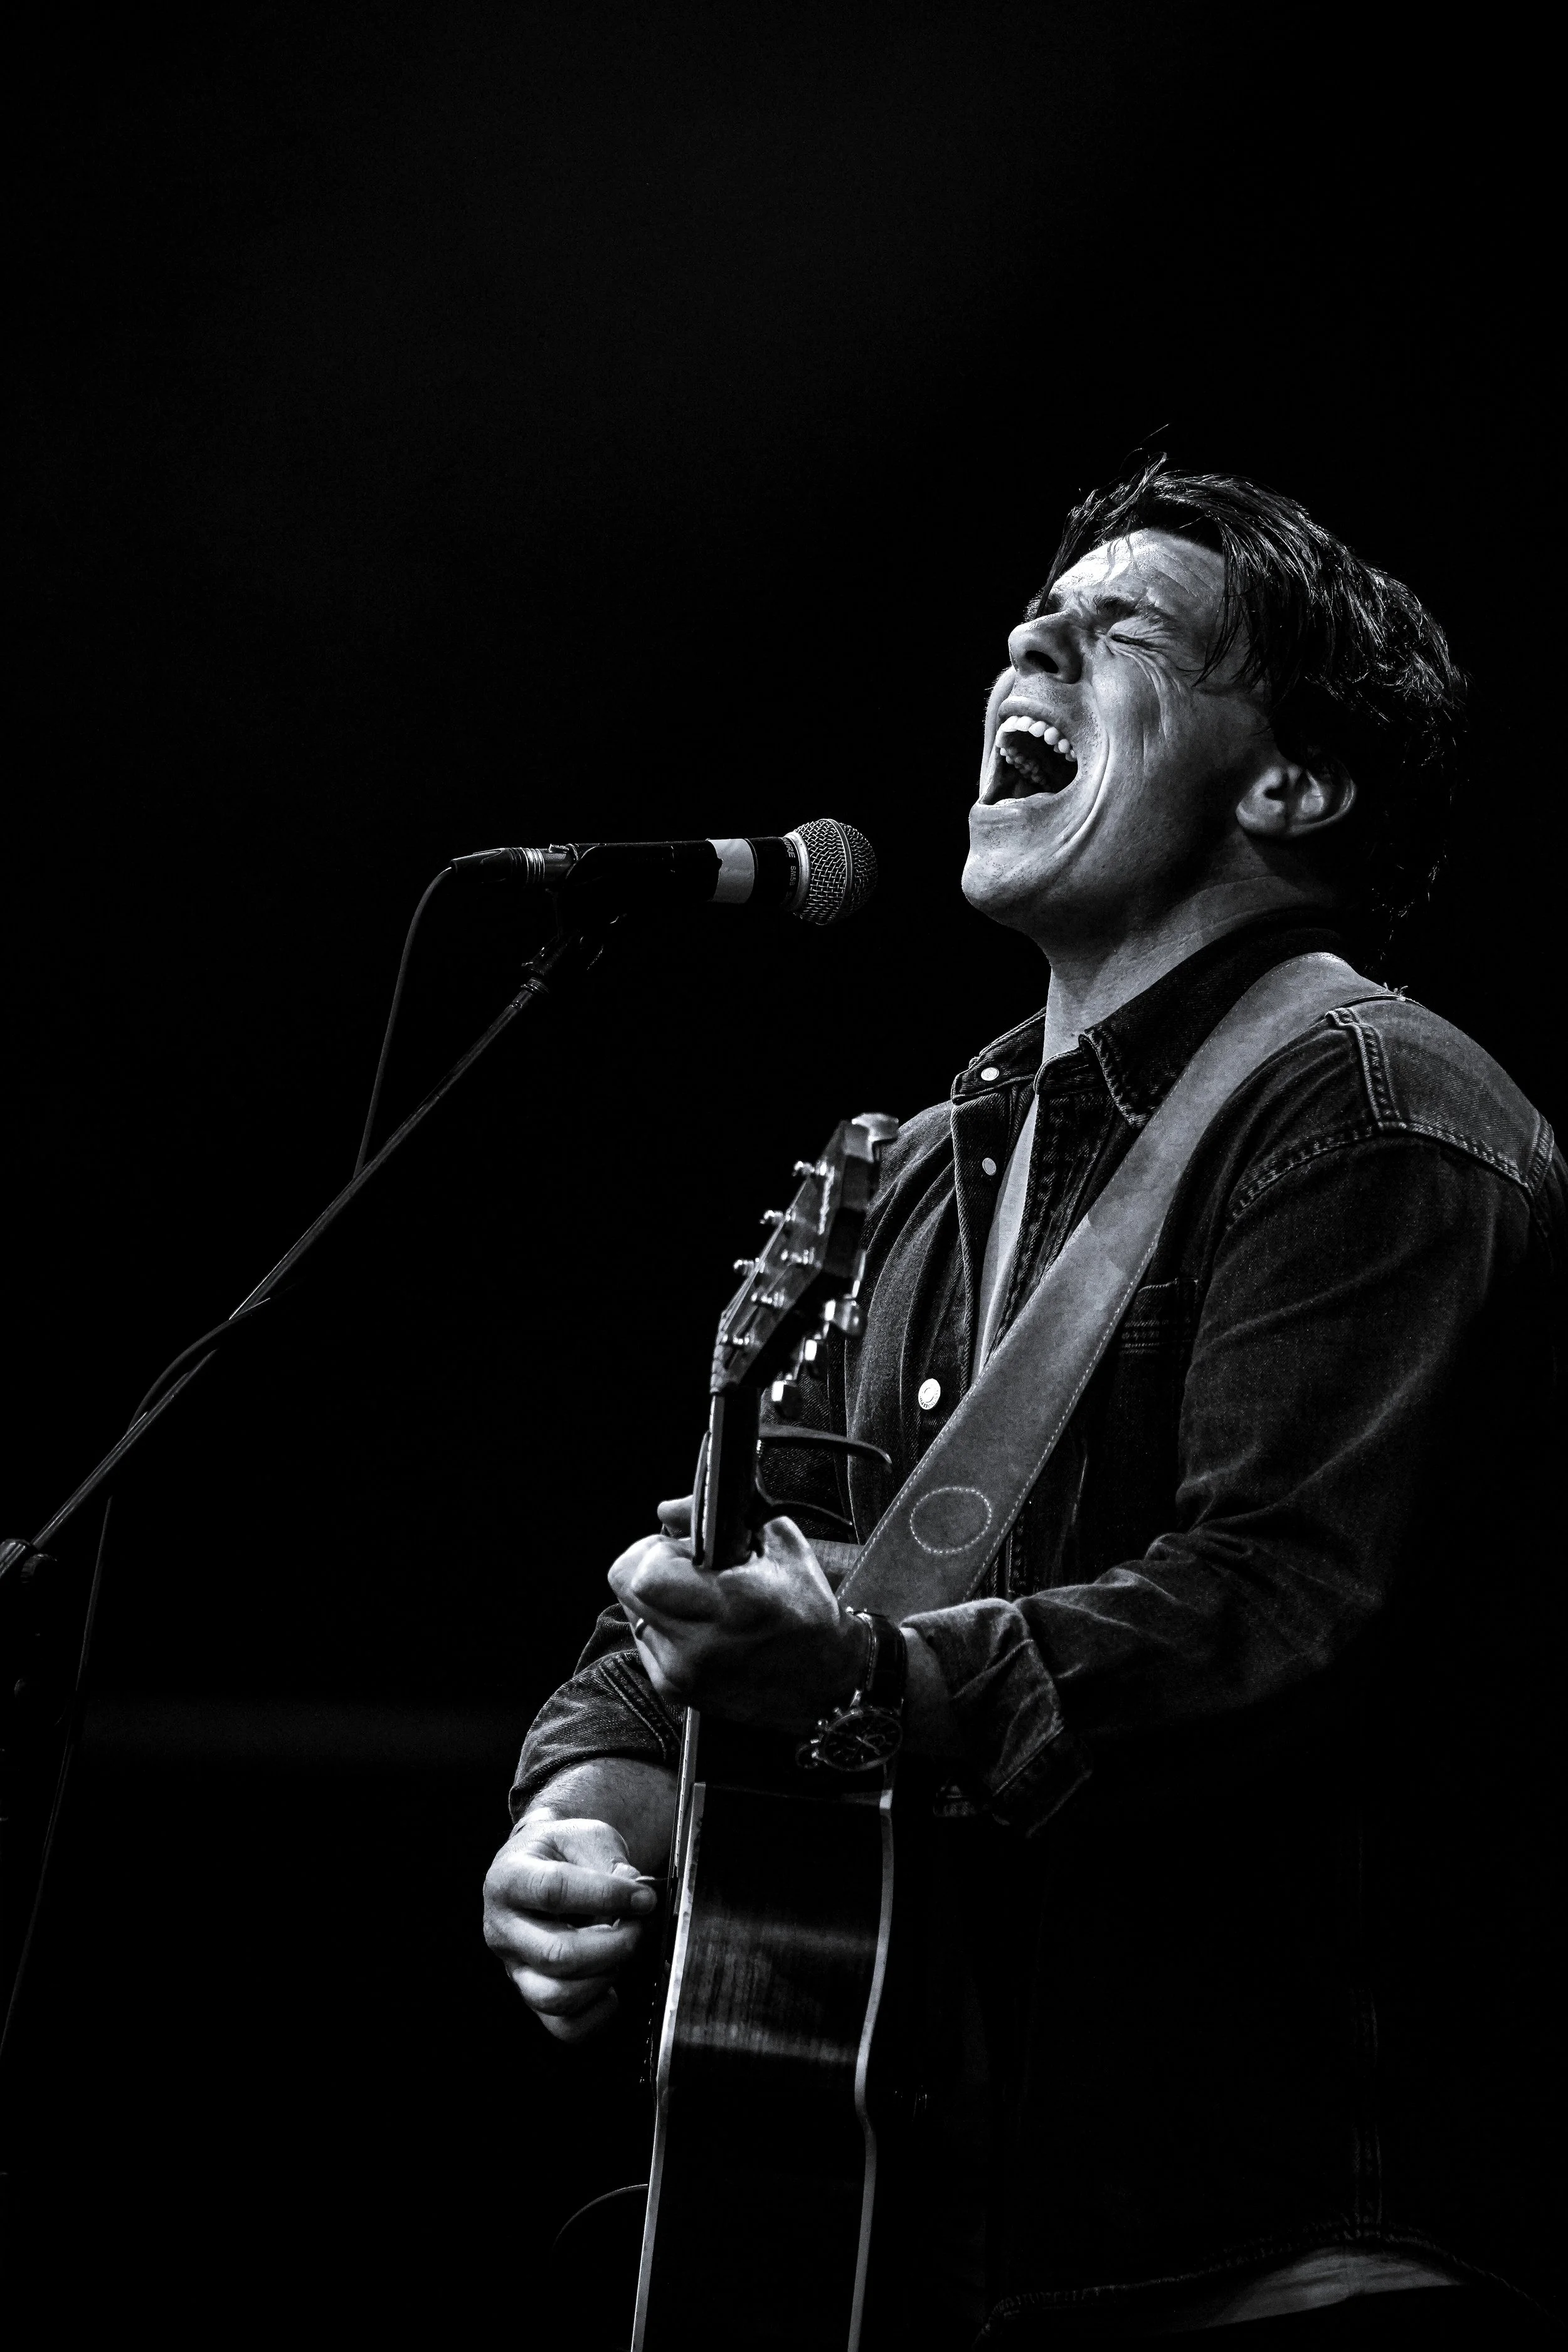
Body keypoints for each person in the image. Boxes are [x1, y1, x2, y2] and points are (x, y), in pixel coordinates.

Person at [482, 462, 1562, 2345]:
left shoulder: (1370, 1105)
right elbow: (698, 1583)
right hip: (913, 2216)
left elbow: (1276, 1609)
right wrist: (591, 1804)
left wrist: (863, 1679)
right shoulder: (917, 1161)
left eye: (1118, 628)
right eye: (1029, 618)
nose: (1027, 638)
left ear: (1289, 782)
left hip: (1263, 2246)